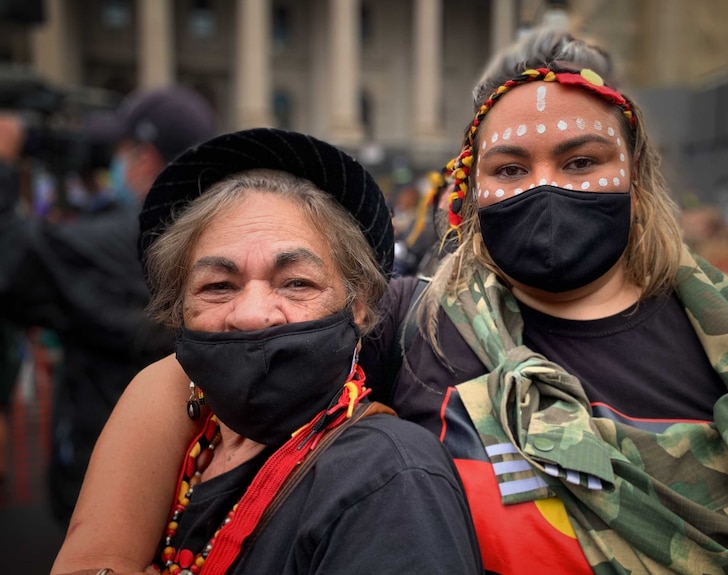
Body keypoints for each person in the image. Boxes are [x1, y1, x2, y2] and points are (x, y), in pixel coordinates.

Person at [52, 29, 728, 575]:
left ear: (635, 174)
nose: (546, 187)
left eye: (581, 160)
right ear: (471, 192)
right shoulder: (416, 323)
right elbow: (210, 366)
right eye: (510, 166)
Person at [53, 128, 482, 575]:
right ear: (179, 309)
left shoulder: (391, 478)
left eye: (297, 283)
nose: (253, 314)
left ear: (357, 305)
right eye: (218, 286)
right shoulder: (180, 424)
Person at [0, 86, 215, 524]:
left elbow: (11, 260)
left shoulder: (132, 237)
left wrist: (5, 160)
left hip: (108, 467)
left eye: (122, 151)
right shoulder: (203, 231)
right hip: (179, 466)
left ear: (146, 157)